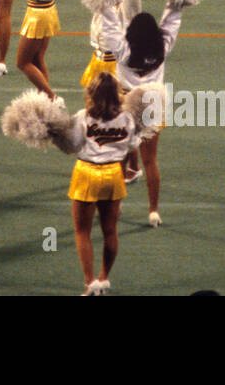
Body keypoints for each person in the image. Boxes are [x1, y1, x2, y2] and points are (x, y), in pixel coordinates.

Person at [57, 72, 146, 295]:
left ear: (92, 93)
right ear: (118, 94)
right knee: (110, 231)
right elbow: (132, 145)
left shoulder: (82, 117)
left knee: (82, 232)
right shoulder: (127, 118)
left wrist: (57, 134)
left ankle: (90, 283)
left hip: (86, 173)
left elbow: (72, 146)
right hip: (113, 174)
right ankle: (104, 278)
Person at [96, 1, 183, 227]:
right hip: (152, 106)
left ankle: (115, 204)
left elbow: (110, 24)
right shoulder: (162, 47)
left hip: (125, 106)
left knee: (118, 158)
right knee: (150, 161)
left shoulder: (123, 51)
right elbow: (172, 19)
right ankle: (153, 211)